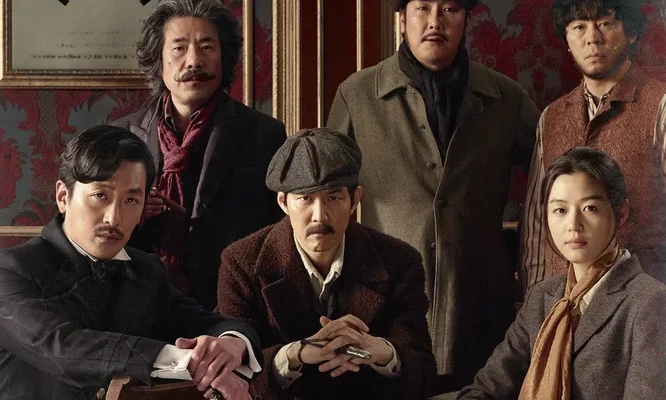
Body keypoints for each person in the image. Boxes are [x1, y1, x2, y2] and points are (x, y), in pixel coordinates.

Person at [326, 0, 540, 388]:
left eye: (449, 9)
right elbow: (325, 199)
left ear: (467, 19)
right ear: (401, 18)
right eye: (422, 7)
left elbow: (551, 191)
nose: (435, 22)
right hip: (386, 312)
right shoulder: (356, 95)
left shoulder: (507, 99)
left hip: (480, 310)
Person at [0, 125, 263, 400]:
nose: (113, 218)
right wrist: (191, 362)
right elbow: (61, 347)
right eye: (100, 196)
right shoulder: (10, 270)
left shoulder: (146, 270)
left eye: (131, 200)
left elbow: (209, 323)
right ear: (63, 197)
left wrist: (232, 344)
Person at [215, 128, 437, 399]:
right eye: (305, 199)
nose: (319, 216)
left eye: (333, 198)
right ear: (283, 202)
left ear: (355, 200)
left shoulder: (400, 261)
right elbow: (231, 379)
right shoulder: (241, 263)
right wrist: (292, 356)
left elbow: (424, 374)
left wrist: (383, 353)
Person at [111, 0, 286, 311]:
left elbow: (276, 238)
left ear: (224, 58)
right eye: (179, 48)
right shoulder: (119, 136)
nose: (194, 60)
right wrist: (130, 214)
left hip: (229, 307)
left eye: (207, 47)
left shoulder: (264, 134)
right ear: (158, 59)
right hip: (136, 304)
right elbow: (90, 230)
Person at [458, 147, 666, 400]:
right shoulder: (542, 298)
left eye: (590, 208)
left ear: (620, 213)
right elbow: (488, 388)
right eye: (560, 210)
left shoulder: (650, 302)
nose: (573, 225)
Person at [520, 0, 666, 291]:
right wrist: (537, 298)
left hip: (643, 298)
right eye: (579, 27)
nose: (592, 38)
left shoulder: (659, 105)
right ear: (567, 39)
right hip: (563, 300)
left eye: (605, 24)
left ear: (631, 32)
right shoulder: (552, 116)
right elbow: (538, 222)